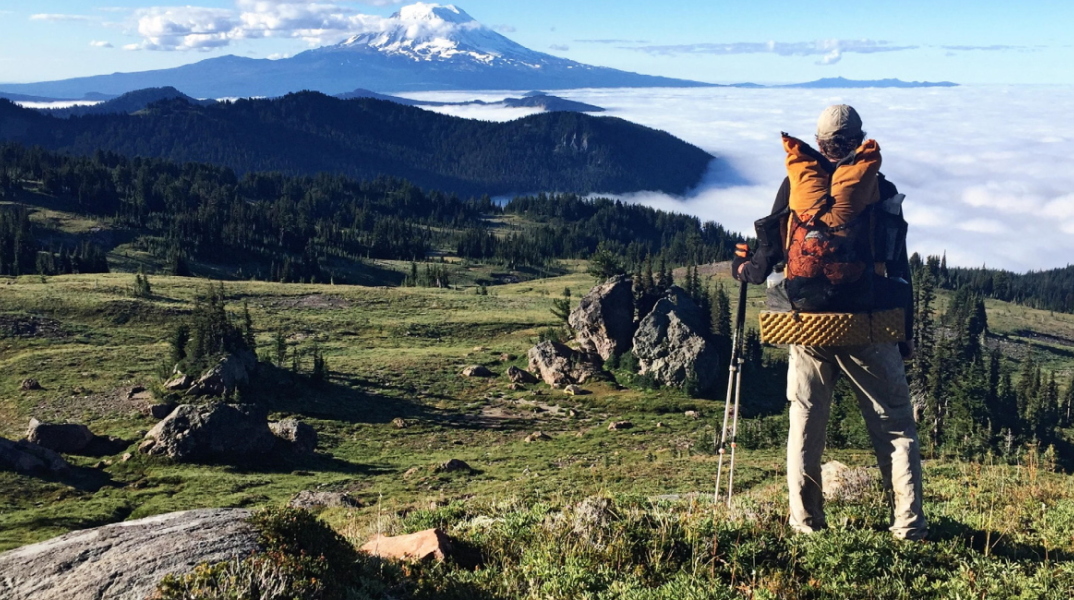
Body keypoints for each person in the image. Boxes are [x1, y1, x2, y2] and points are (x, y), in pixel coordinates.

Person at [732, 105, 927, 540]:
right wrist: (906, 333)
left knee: (805, 422)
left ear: (818, 143)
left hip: (807, 327)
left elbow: (764, 263)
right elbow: (897, 268)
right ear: (859, 141)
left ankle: (806, 524)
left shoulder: (796, 186)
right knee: (895, 425)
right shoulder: (880, 188)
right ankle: (908, 526)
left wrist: (741, 268)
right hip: (868, 325)